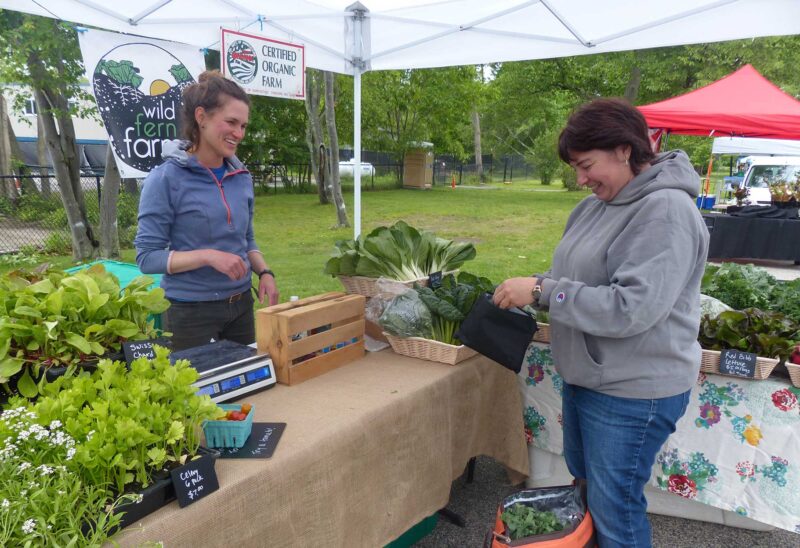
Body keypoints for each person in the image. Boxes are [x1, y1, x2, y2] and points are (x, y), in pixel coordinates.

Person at [493, 98, 709, 547]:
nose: (581, 179)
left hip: (633, 390)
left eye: (586, 165)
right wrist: (539, 285)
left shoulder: (666, 210)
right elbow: (577, 277)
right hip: (590, 379)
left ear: (624, 149)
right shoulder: (596, 205)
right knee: (589, 495)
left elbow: (632, 307)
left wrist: (543, 291)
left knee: (616, 509)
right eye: (575, 167)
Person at [135, 70, 279, 351]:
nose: (239, 134)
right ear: (201, 117)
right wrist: (208, 257)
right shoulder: (165, 179)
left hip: (240, 307)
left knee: (251, 390)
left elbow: (246, 240)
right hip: (189, 314)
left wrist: (265, 272)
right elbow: (147, 258)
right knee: (199, 393)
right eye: (231, 122)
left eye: (244, 126)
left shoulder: (241, 177)